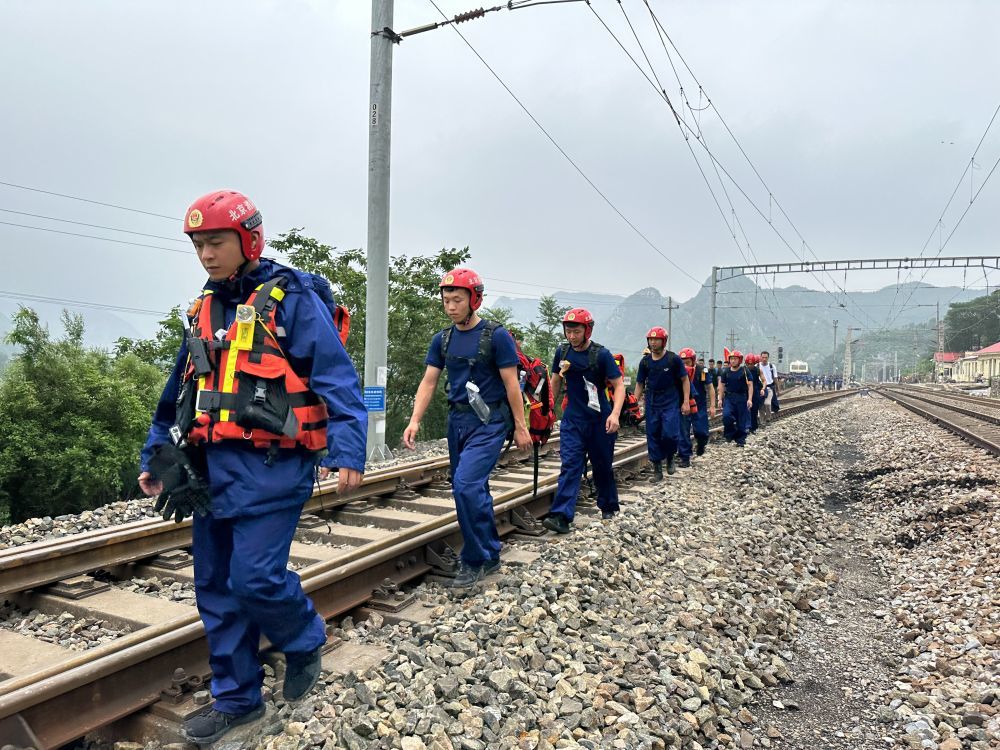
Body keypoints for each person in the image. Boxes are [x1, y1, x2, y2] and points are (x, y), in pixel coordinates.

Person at [139, 190, 367, 744]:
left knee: (255, 578)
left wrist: (347, 448)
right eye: (197, 245)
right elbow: (180, 390)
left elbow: (336, 376)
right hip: (212, 470)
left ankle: (305, 636)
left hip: (274, 466)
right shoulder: (203, 308)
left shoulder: (291, 300)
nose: (206, 255)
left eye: (215, 242)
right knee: (214, 585)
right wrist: (156, 453)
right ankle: (237, 699)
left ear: (248, 239)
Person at [403, 269, 532, 586]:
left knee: (465, 485)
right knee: (474, 490)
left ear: (474, 299)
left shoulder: (496, 336)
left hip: (490, 422)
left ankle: (475, 559)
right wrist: (414, 420)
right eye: (446, 300)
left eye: (457, 300)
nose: (450, 306)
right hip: (457, 421)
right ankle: (490, 554)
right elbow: (429, 382)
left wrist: (520, 426)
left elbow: (511, 384)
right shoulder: (442, 339)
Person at [545, 308, 625, 533]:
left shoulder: (601, 354)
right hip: (572, 420)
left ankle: (609, 505)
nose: (571, 336)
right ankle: (561, 515)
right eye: (568, 331)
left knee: (602, 466)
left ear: (587, 330)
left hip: (600, 420)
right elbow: (555, 382)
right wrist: (549, 411)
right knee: (570, 465)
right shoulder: (562, 352)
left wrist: (615, 414)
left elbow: (619, 386)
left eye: (576, 331)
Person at [633, 327, 689, 480]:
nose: (653, 342)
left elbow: (685, 380)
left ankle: (670, 456)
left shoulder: (673, 359)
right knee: (653, 435)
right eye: (650, 339)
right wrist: (634, 404)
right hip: (651, 402)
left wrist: (685, 402)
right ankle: (657, 469)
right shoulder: (645, 362)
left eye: (656, 339)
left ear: (663, 341)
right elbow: (639, 384)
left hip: (670, 400)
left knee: (670, 434)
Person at [677, 347, 714, 465]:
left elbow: (710, 387)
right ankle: (685, 457)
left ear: (693, 360)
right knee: (683, 431)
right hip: (683, 404)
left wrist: (713, 405)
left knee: (701, 431)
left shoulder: (703, 370)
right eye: (682, 362)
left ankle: (701, 444)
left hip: (699, 405)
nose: (684, 364)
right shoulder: (677, 371)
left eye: (687, 362)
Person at [718, 350, 752, 447]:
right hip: (729, 397)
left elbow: (750, 385)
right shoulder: (726, 372)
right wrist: (720, 399)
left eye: (735, 359)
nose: (733, 361)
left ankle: (740, 440)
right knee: (726, 416)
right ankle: (730, 434)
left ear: (739, 360)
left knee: (741, 420)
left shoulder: (744, 371)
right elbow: (722, 385)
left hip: (741, 397)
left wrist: (749, 399)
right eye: (731, 359)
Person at [745, 353, 765, 432]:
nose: (750, 365)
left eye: (752, 364)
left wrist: (763, 388)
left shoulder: (758, 370)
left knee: (754, 410)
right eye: (748, 364)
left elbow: (764, 380)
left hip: (755, 392)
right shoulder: (743, 370)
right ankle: (746, 426)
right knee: (745, 409)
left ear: (754, 363)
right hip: (745, 391)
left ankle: (753, 427)